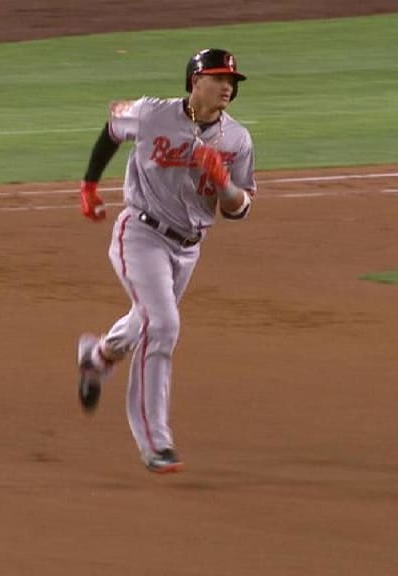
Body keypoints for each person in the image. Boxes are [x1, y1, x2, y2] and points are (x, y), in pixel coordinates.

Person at [75, 48, 256, 474]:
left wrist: (223, 182)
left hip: (188, 248)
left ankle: (98, 357)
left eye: (232, 81)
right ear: (195, 82)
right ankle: (156, 440)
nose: (227, 87)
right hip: (139, 233)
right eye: (218, 78)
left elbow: (240, 208)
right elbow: (113, 129)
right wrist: (88, 185)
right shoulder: (152, 113)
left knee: (147, 320)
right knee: (164, 325)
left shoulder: (237, 140)